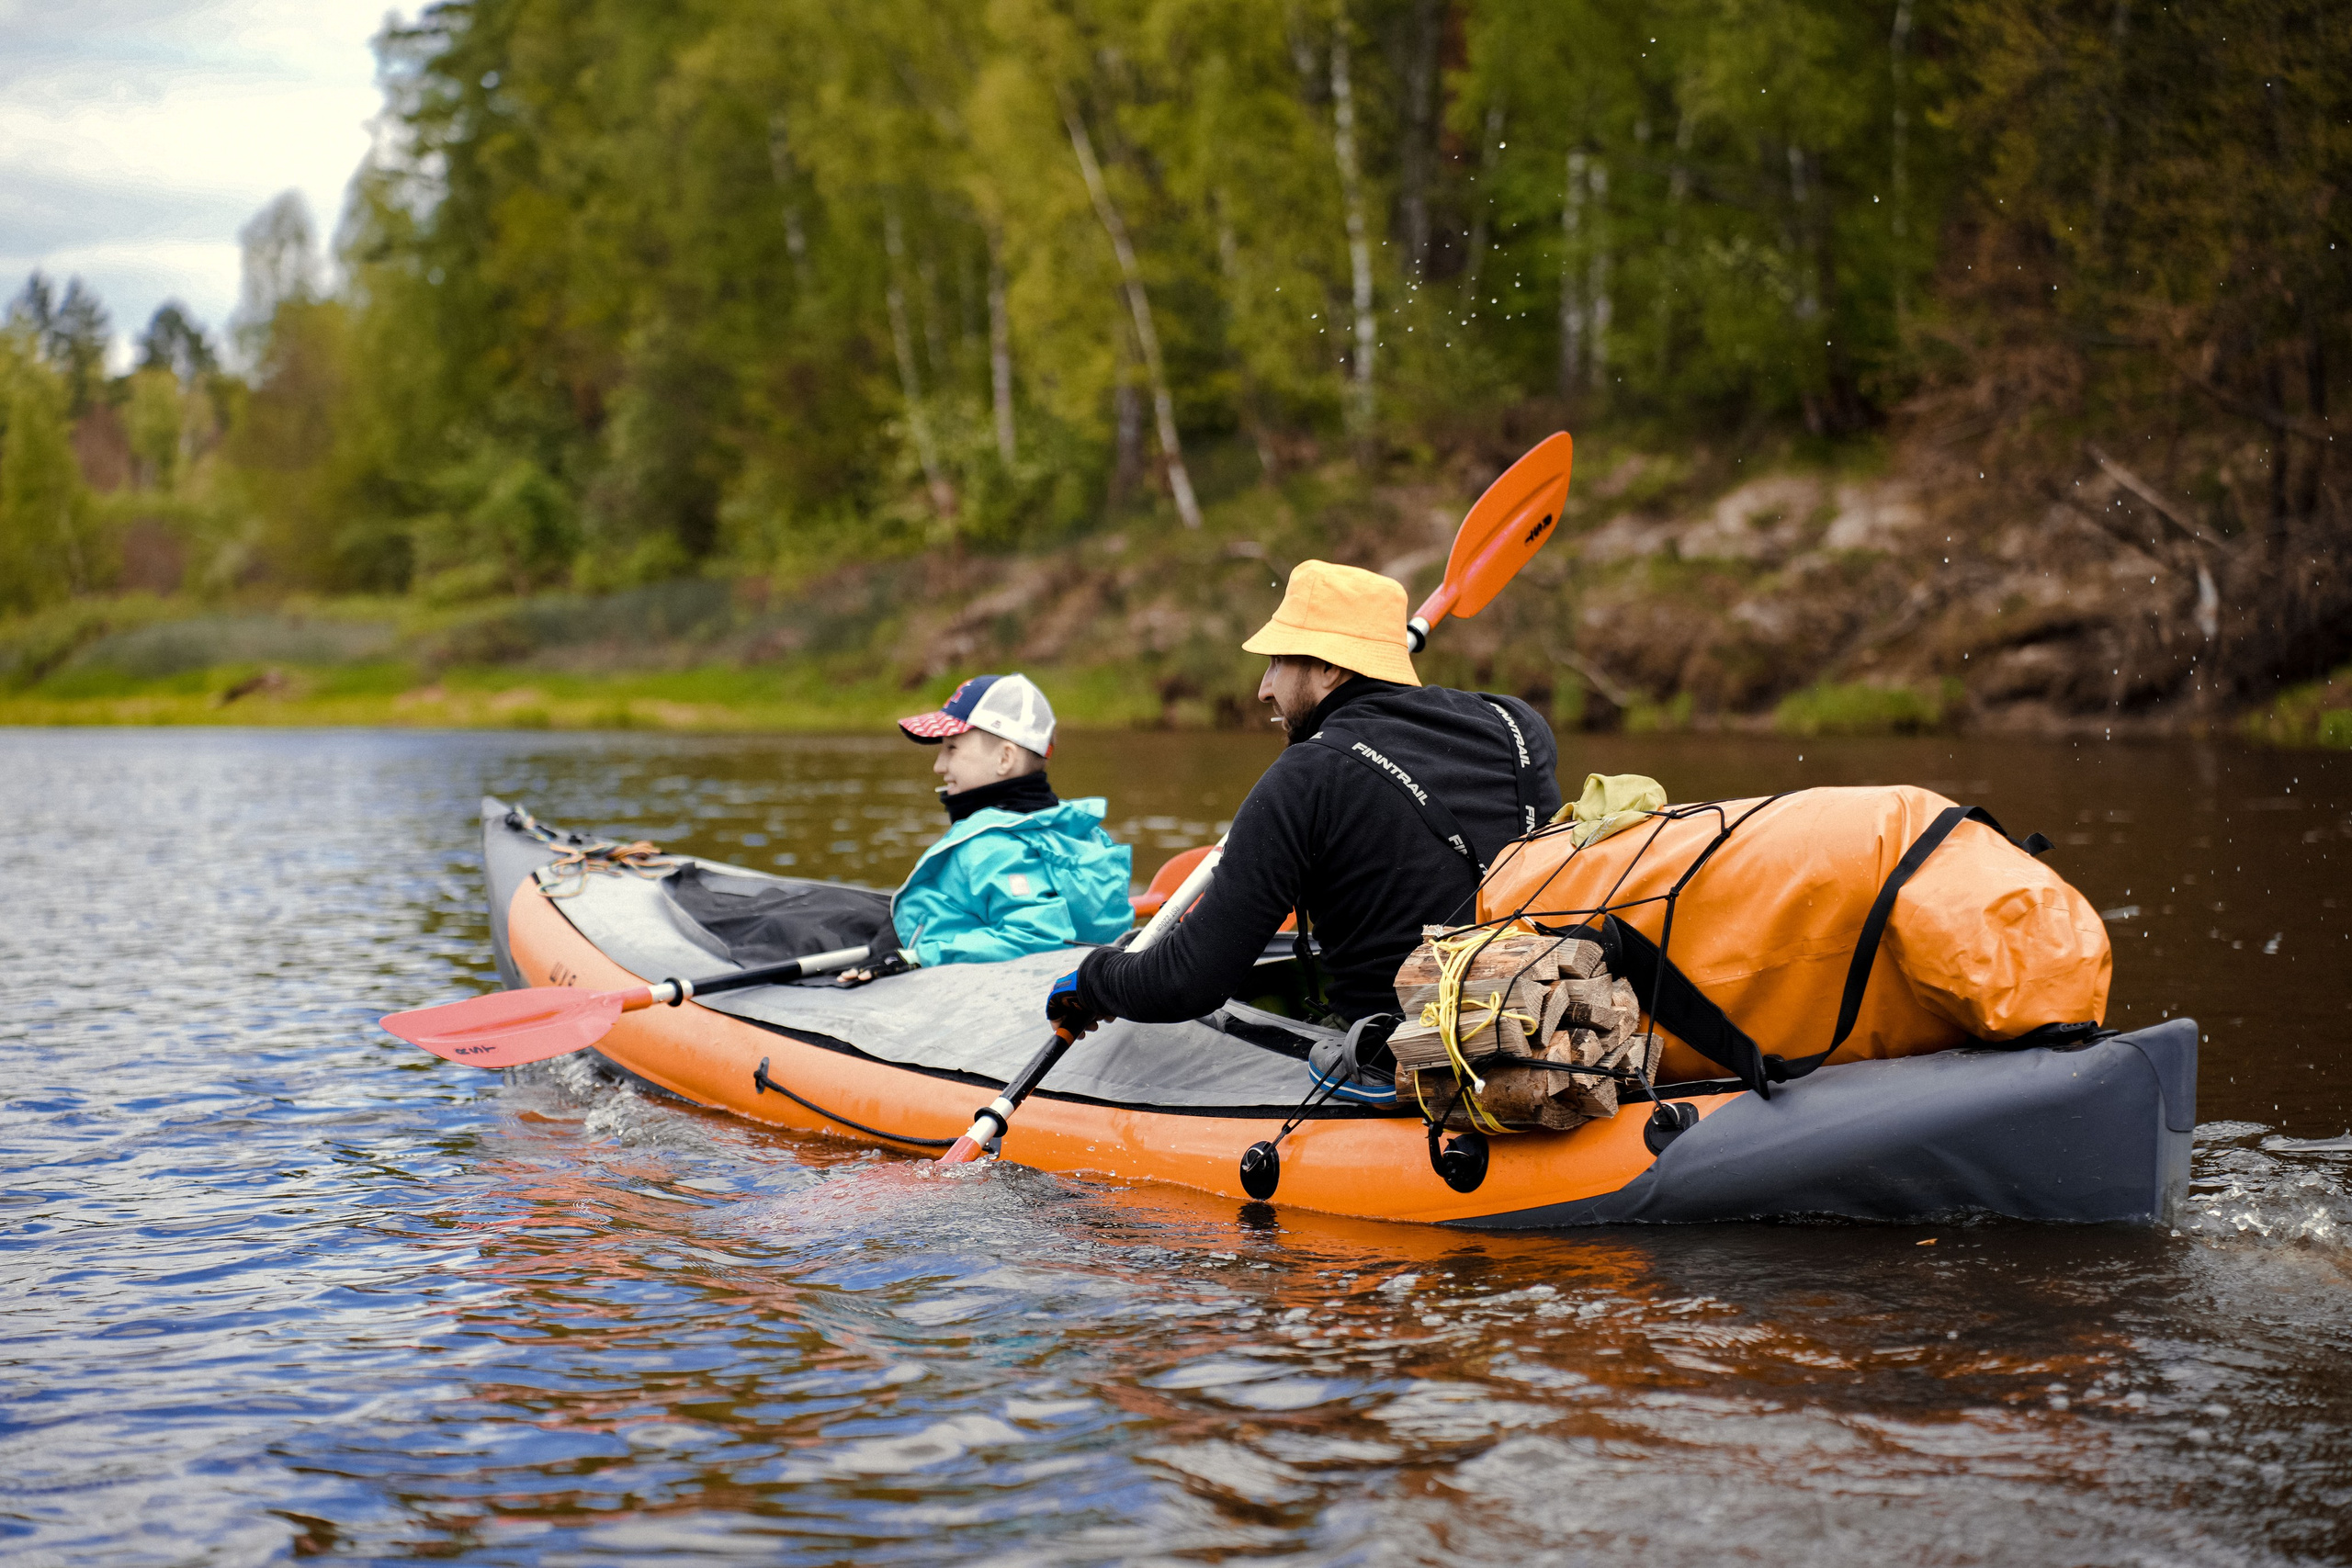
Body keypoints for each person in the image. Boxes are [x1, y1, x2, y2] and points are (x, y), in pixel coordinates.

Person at [1046, 560, 1560, 1037]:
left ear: (1330, 671)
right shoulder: (1517, 724)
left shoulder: (1307, 773)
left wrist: (1094, 978)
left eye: (1276, 663)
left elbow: (1188, 981)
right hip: (1541, 1024)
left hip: (1400, 1062)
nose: (1264, 689)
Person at [877, 672, 1134, 971]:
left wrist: (920, 958)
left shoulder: (993, 847)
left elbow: (1038, 936)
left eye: (951, 748)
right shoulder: (1084, 836)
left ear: (1004, 759)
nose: (939, 765)